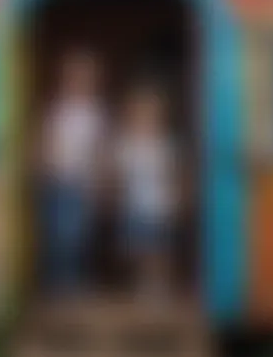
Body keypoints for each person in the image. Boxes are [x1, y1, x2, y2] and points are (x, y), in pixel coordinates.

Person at [39, 50, 106, 296]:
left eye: (86, 78)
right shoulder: (57, 110)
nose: (80, 83)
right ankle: (58, 280)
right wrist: (45, 164)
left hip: (82, 183)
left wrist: (99, 180)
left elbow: (100, 149)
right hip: (58, 180)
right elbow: (46, 142)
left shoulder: (96, 112)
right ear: (64, 79)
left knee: (78, 234)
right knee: (57, 232)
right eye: (74, 77)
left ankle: (73, 279)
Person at [115, 84, 180, 305]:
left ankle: (159, 285)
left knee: (159, 248)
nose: (144, 121)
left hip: (159, 205)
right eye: (139, 115)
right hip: (133, 205)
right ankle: (142, 284)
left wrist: (177, 196)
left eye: (150, 116)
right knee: (137, 246)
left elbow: (174, 173)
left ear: (160, 118)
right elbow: (118, 172)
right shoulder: (126, 144)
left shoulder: (165, 144)